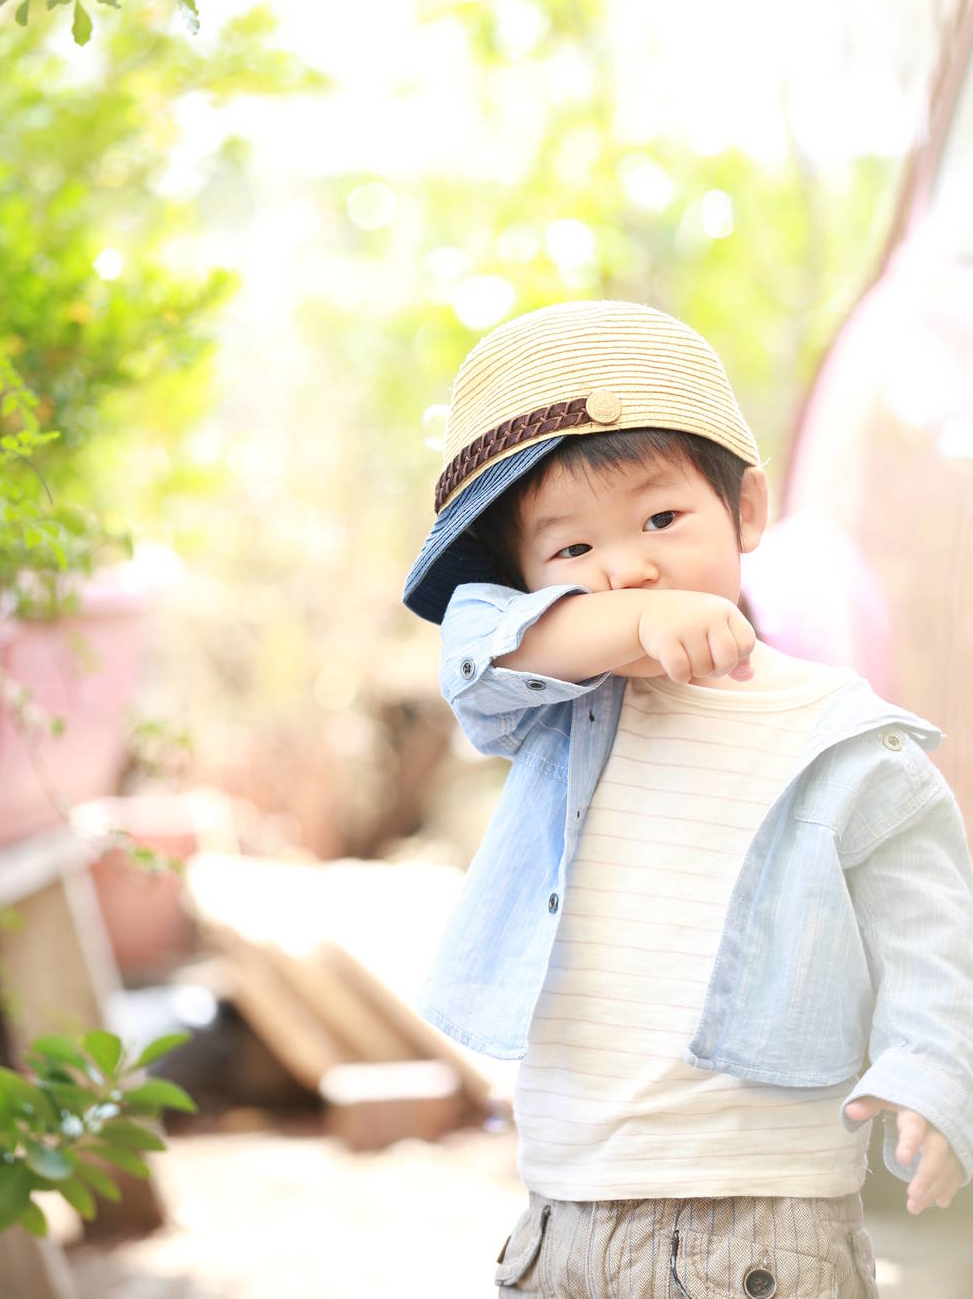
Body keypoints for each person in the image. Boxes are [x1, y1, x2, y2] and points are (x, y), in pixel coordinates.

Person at [401, 299, 973, 1298]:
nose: (625, 565)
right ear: (529, 578)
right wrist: (633, 619)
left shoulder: (836, 729)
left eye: (663, 519)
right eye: (572, 552)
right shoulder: (555, 708)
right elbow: (472, 645)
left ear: (747, 512)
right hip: (563, 1204)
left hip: (762, 1215)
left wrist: (931, 1073)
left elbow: (932, 924)